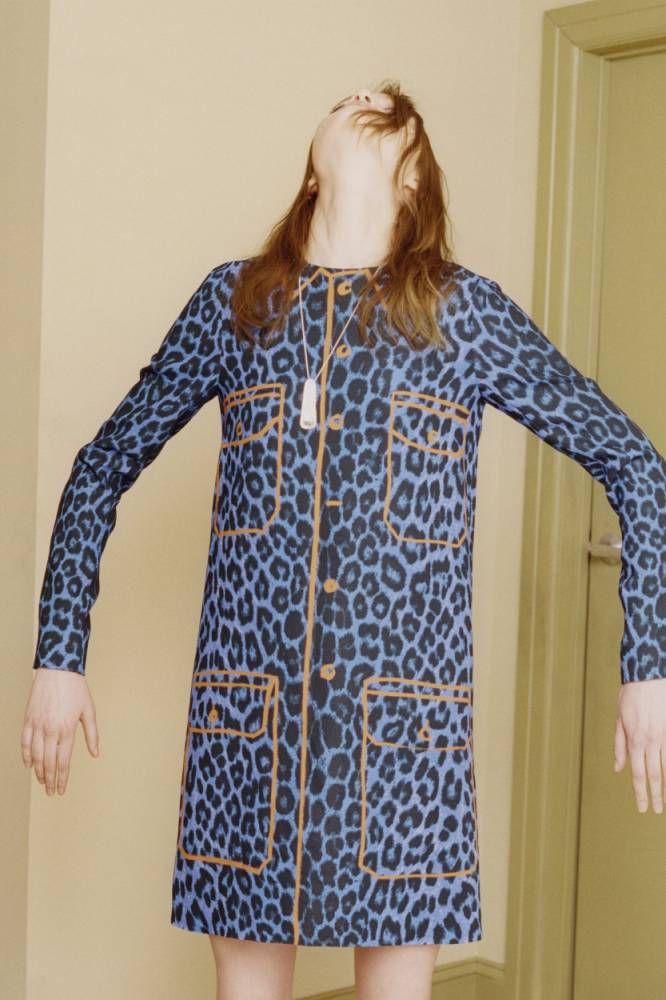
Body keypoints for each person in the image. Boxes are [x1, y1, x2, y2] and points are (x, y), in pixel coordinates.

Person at [22, 81, 666, 1000]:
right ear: (311, 175)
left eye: (386, 104)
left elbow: (635, 463)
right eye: (348, 97)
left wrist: (648, 666)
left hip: (403, 739)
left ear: (414, 176)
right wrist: (59, 656)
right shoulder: (233, 305)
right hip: (249, 733)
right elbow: (101, 467)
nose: (364, 94)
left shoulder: (463, 314)